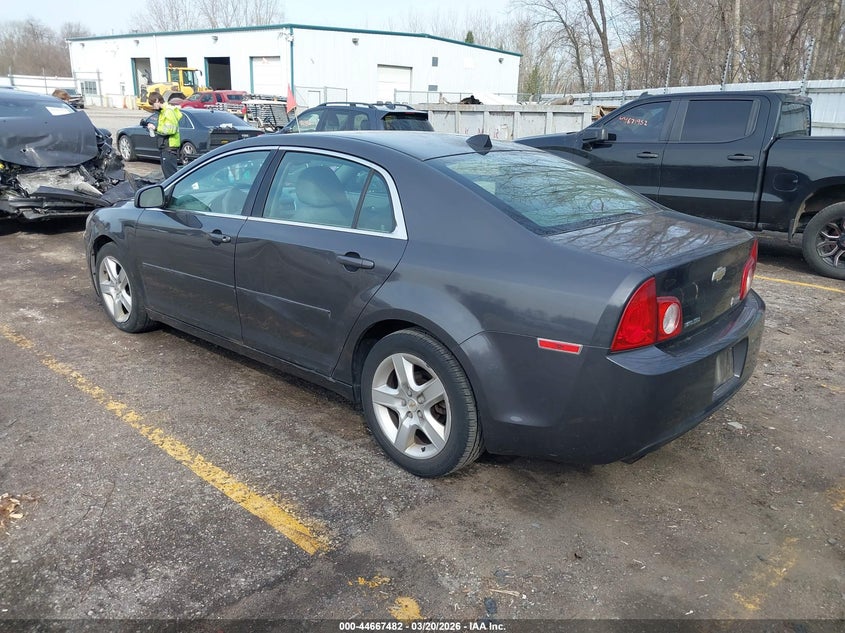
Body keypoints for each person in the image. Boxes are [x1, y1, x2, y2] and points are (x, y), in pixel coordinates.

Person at [147, 91, 183, 178]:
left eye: (152, 104)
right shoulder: (163, 112)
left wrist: (155, 128)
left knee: (171, 176)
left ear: (157, 100)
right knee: (168, 174)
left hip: (169, 147)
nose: (153, 107)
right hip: (165, 147)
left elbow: (171, 129)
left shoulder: (168, 111)